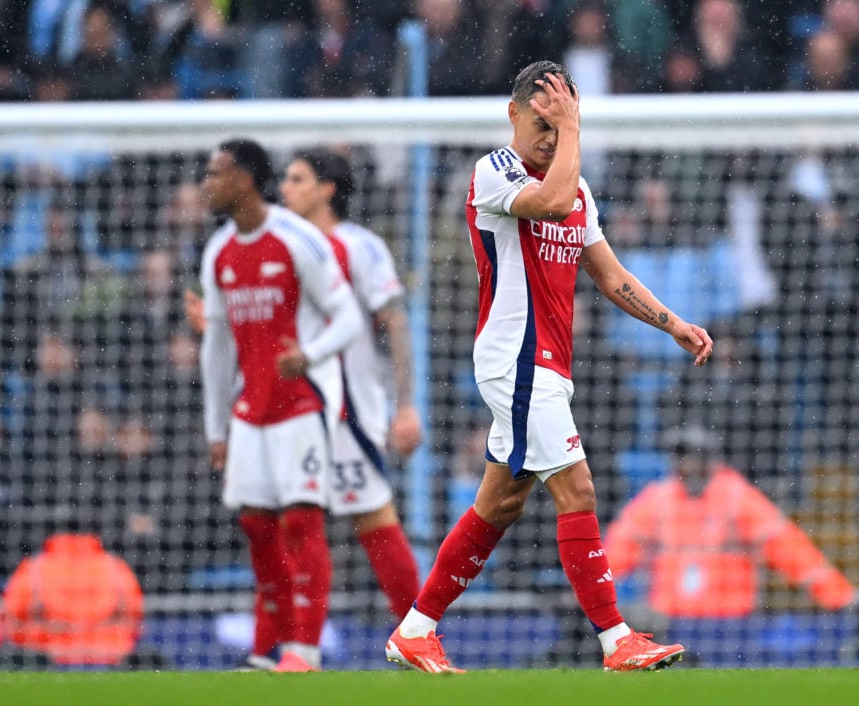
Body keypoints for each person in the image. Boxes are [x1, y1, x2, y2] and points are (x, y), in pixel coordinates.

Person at [385, 60, 713, 674]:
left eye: (561, 125)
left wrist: (674, 324)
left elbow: (611, 276)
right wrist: (576, 132)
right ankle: (617, 638)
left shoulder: (579, 190)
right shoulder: (495, 171)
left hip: (548, 364)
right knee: (577, 487)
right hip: (515, 358)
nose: (552, 135)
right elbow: (553, 197)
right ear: (514, 114)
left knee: (500, 506)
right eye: (544, 122)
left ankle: (416, 629)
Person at [187, 146, 423, 625]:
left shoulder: (359, 246)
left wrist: (406, 406)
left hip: (347, 409)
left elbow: (393, 322)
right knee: (274, 524)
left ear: (327, 190)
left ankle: (417, 633)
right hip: (283, 408)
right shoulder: (269, 242)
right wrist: (216, 325)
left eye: (298, 179)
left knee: (372, 520)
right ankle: (278, 649)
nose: (286, 189)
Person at [198, 138, 362, 672]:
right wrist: (216, 426)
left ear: (244, 179)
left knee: (301, 523)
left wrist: (309, 354)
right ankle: (271, 646)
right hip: (251, 410)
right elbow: (216, 346)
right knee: (257, 526)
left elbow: (349, 316)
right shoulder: (218, 251)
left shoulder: (297, 240)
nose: (207, 183)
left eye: (216, 173)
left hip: (300, 405)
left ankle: (305, 650)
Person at [604, 425, 855, 621]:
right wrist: (591, 594)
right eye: (679, 456)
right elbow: (617, 551)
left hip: (728, 621)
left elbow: (791, 550)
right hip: (671, 619)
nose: (684, 463)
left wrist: (837, 596)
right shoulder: (659, 498)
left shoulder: (737, 497)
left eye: (690, 455)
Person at [0, 531, 144, 667]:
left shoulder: (33, 568)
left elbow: (12, 618)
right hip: (109, 655)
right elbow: (135, 615)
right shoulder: (115, 566)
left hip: (47, 657)